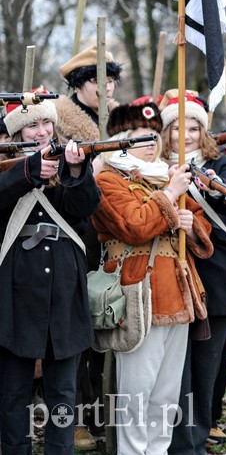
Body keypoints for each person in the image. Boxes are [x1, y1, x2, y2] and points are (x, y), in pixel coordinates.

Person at [91, 102, 213, 453]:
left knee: (166, 396)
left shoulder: (163, 175)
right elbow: (134, 225)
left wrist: (190, 225)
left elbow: (201, 226)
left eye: (151, 137)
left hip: (178, 294)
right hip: (136, 295)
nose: (149, 144)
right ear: (120, 141)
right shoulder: (107, 180)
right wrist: (172, 195)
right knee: (135, 395)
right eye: (138, 137)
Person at [0, 92, 100, 455]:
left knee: (63, 393)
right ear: (16, 132)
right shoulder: (7, 163)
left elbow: (85, 211)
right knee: (13, 392)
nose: (41, 131)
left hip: (63, 285)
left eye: (45, 123)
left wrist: (76, 171)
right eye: (31, 125)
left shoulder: (63, 157)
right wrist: (25, 174)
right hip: (14, 288)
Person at [158, 93, 226, 454]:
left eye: (193, 128)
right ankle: (176, 443)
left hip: (214, 277)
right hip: (170, 276)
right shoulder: (154, 166)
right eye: (178, 128)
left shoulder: (219, 164)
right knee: (175, 370)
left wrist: (210, 185)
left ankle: (196, 440)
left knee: (206, 369)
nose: (187, 135)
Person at [55, 43, 123, 450]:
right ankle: (75, 418)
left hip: (106, 234)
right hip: (72, 236)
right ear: (80, 85)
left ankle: (98, 415)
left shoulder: (113, 123)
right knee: (75, 329)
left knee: (102, 321)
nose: (108, 88)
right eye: (100, 80)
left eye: (112, 80)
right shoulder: (62, 126)